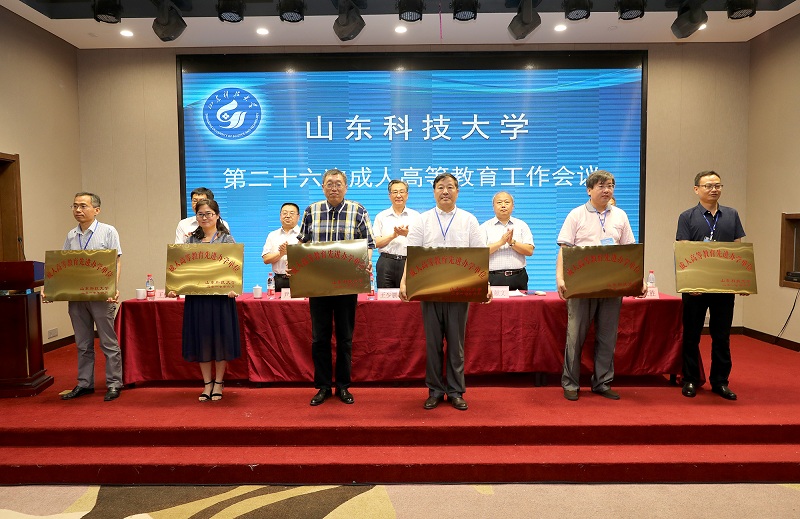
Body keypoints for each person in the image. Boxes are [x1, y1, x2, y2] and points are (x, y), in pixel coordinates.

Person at [400, 173, 490, 411]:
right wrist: (404, 281)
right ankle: (435, 391)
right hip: (429, 288)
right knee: (433, 344)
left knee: (456, 343)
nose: (445, 191)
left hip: (460, 290)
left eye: (450, 187)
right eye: (440, 187)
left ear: (458, 191)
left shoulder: (469, 220)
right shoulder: (423, 220)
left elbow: (479, 254)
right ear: (434, 192)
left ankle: (456, 391)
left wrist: (486, 284)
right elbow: (412, 253)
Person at [555, 170, 643, 401]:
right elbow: (564, 249)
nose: (607, 190)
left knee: (607, 337)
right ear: (589, 190)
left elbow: (629, 250)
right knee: (575, 336)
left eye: (610, 186)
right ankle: (570, 383)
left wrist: (638, 279)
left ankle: (602, 382)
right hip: (581, 284)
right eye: (602, 186)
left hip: (612, 284)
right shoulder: (576, 214)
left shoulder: (621, 215)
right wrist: (560, 278)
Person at [297, 169, 375, 406]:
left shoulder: (358, 210)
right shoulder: (311, 211)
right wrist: (295, 266)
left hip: (347, 283)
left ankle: (342, 386)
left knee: (345, 338)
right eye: (329, 184)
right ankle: (322, 386)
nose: (334, 188)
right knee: (320, 338)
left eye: (338, 183)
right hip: (318, 285)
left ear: (346, 187)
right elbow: (302, 244)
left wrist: (366, 261)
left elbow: (368, 243)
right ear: (322, 187)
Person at [676, 171, 745, 401]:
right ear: (696, 189)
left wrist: (741, 280)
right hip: (695, 288)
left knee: (722, 336)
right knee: (692, 335)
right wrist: (690, 283)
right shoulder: (687, 217)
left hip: (723, 287)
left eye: (717, 185)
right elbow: (683, 250)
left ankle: (720, 382)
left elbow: (738, 250)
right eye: (708, 186)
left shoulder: (731, 215)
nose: (714, 189)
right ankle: (690, 379)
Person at [169, 199, 241, 402]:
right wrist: (175, 287)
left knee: (220, 340)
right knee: (202, 340)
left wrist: (233, 287)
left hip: (221, 300)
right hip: (197, 299)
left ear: (217, 216)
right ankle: (207, 383)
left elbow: (234, 269)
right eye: (201, 214)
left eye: (209, 213)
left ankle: (219, 382)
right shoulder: (190, 240)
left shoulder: (227, 239)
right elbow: (182, 269)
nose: (205, 217)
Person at [56, 192, 124, 402]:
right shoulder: (71, 235)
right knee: (82, 343)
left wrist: (113, 288)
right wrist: (53, 289)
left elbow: (116, 262)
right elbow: (64, 265)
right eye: (75, 206)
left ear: (96, 210)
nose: (78, 210)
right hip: (77, 297)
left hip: (101, 296)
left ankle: (114, 383)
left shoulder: (108, 231)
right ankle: (85, 383)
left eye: (83, 206)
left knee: (108, 342)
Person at [480, 191, 534, 291]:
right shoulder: (484, 227)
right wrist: (501, 242)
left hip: (518, 277)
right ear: (493, 206)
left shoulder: (522, 225)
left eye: (507, 202)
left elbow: (529, 251)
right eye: (499, 202)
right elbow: (480, 253)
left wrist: (512, 242)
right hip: (494, 277)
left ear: (513, 206)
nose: (503, 205)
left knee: (522, 301)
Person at [372, 180, 420, 289]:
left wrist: (407, 234)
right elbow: (375, 243)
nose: (398, 195)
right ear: (389, 196)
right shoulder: (381, 216)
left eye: (402, 192)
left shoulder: (416, 216)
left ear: (407, 195)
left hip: (408, 262)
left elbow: (421, 243)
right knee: (385, 296)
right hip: (386, 262)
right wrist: (393, 236)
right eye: (395, 192)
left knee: (408, 296)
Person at [261, 202, 301, 292]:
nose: (288, 216)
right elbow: (266, 259)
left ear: (298, 217)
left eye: (292, 213)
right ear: (280, 216)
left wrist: (291, 254)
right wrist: (281, 253)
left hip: (300, 279)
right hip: (279, 280)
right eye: (285, 213)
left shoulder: (304, 235)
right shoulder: (272, 235)